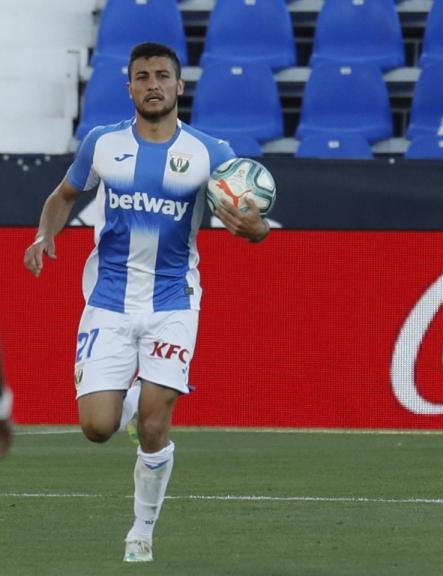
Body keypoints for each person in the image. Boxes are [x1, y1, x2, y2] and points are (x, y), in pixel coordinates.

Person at [23, 42, 269, 561]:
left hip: (173, 301)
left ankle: (142, 530)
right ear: (129, 87)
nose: (152, 84)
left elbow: (252, 219)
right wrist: (46, 234)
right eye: (142, 76)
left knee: (156, 426)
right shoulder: (102, 143)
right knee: (97, 428)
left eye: (162, 76)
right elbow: (63, 196)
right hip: (109, 300)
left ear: (179, 87)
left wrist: (253, 226)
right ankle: (131, 401)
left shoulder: (209, 151)